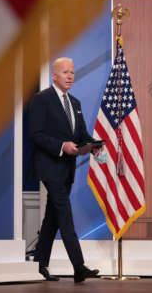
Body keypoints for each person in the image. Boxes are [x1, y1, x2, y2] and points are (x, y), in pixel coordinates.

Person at [28, 57, 100, 283]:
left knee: (52, 218)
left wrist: (95, 145)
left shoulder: (75, 103)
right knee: (65, 215)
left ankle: (40, 264)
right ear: (54, 76)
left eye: (73, 72)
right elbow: (36, 134)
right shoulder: (41, 100)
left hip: (67, 170)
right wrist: (61, 146)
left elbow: (81, 136)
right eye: (66, 72)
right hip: (50, 167)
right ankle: (79, 267)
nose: (70, 76)